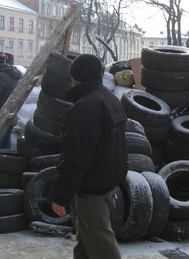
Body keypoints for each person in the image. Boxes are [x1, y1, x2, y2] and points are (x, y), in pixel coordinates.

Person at [52, 54, 127, 259]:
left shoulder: (85, 107)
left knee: (101, 243)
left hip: (91, 187)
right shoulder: (109, 98)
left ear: (75, 76)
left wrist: (61, 194)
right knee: (86, 242)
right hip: (105, 182)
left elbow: (77, 155)